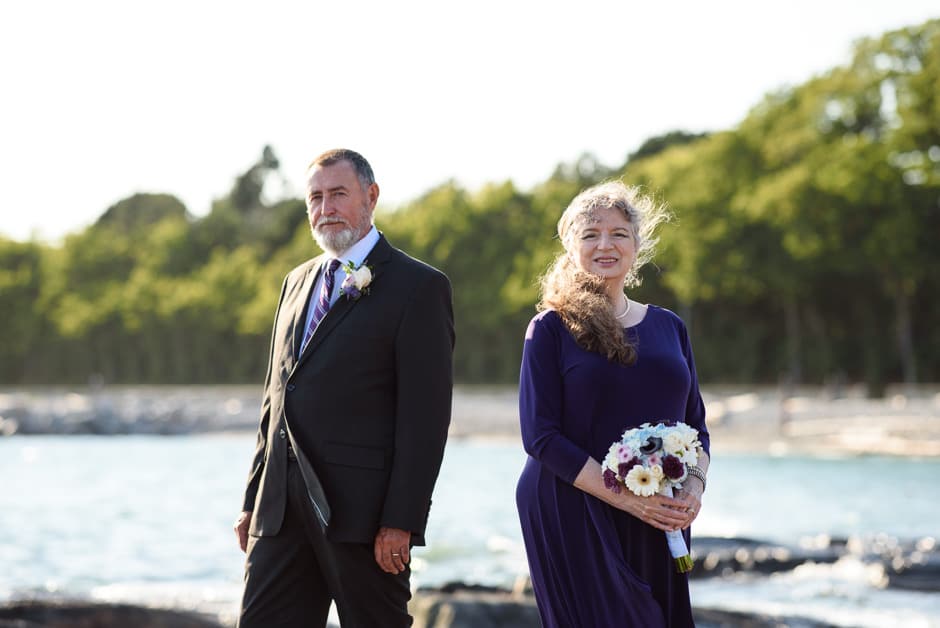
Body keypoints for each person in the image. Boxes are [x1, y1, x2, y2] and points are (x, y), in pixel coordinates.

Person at [234, 148, 455, 627]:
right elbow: (274, 401)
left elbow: (425, 418)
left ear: (370, 197)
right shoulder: (295, 282)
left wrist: (402, 519)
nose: (325, 208)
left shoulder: (419, 287)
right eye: (315, 197)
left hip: (364, 517)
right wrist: (254, 501)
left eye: (338, 194)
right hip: (279, 514)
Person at [515, 180, 711, 627]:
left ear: (637, 245)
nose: (606, 245)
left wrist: (693, 489)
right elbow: (540, 437)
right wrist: (629, 500)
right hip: (571, 506)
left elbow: (696, 427)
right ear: (570, 246)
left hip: (660, 510)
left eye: (619, 233)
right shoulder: (550, 328)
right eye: (590, 234)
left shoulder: (670, 326)